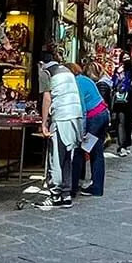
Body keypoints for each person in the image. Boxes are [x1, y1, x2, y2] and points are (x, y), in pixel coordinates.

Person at [36, 51, 83, 209]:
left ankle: (56, 194)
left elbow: (47, 98)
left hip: (61, 116)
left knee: (55, 156)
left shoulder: (45, 73)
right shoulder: (66, 70)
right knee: (66, 156)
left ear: (41, 64)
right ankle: (66, 194)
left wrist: (43, 123)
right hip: (75, 115)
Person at [69, 63, 110, 197]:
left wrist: (82, 130)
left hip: (94, 119)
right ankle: (97, 187)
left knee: (80, 151)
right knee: (97, 151)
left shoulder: (76, 83)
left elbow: (82, 108)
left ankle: (72, 187)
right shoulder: (85, 79)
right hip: (103, 114)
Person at [110, 57, 132, 157]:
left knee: (125, 123)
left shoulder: (128, 71)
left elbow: (113, 84)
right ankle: (122, 146)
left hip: (124, 101)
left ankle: (124, 145)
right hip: (123, 102)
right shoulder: (124, 71)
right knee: (123, 123)